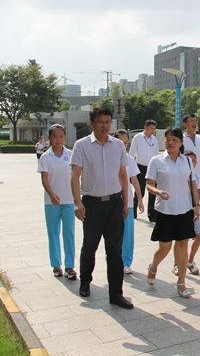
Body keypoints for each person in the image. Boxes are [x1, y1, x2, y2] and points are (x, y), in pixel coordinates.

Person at [70, 107, 133, 309]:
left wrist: (125, 202)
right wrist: (77, 202)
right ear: (92, 124)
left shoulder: (118, 145)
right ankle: (85, 282)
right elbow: (75, 175)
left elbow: (123, 174)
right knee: (90, 246)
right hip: (92, 204)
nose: (105, 126)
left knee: (115, 250)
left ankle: (116, 294)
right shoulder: (82, 145)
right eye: (100, 122)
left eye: (108, 122)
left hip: (114, 203)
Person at [145, 128, 200, 298]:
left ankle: (181, 283)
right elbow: (149, 184)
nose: (170, 142)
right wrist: (158, 191)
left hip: (184, 209)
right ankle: (153, 266)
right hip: (165, 210)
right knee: (165, 248)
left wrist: (196, 205)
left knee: (182, 245)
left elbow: (192, 184)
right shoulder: (156, 160)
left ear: (181, 143)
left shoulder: (187, 161)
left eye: (174, 140)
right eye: (167, 139)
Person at [38, 124, 76, 279]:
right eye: (55, 137)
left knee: (69, 234)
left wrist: (78, 198)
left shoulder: (71, 155)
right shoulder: (45, 157)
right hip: (51, 202)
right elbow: (44, 179)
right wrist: (52, 195)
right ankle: (56, 265)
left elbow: (75, 177)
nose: (58, 140)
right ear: (50, 138)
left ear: (64, 138)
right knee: (53, 233)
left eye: (61, 136)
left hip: (69, 201)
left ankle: (70, 266)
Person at [114, 129, 145, 274]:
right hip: (112, 202)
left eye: (126, 143)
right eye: (121, 142)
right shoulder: (108, 158)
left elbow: (135, 180)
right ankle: (114, 260)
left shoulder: (129, 159)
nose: (123, 146)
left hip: (128, 203)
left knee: (127, 234)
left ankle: (126, 262)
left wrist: (140, 199)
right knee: (114, 234)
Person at [172, 150, 200, 277]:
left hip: (193, 208)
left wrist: (197, 207)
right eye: (190, 160)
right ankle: (176, 264)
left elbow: (197, 192)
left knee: (199, 236)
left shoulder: (196, 176)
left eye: (194, 160)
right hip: (181, 208)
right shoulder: (180, 174)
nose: (192, 163)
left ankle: (189, 261)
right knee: (180, 239)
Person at [129, 120, 158, 221]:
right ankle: (133, 212)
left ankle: (151, 214)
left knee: (152, 191)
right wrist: (130, 168)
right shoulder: (138, 137)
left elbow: (156, 154)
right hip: (140, 167)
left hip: (152, 168)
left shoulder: (154, 139)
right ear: (145, 127)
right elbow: (131, 153)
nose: (153, 130)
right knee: (140, 191)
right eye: (151, 128)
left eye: (154, 129)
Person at [182, 114, 200, 203]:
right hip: (186, 174)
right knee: (187, 200)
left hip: (199, 174)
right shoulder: (181, 138)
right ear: (185, 124)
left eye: (195, 121)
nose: (194, 123)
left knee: (197, 201)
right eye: (191, 121)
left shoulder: (199, 138)